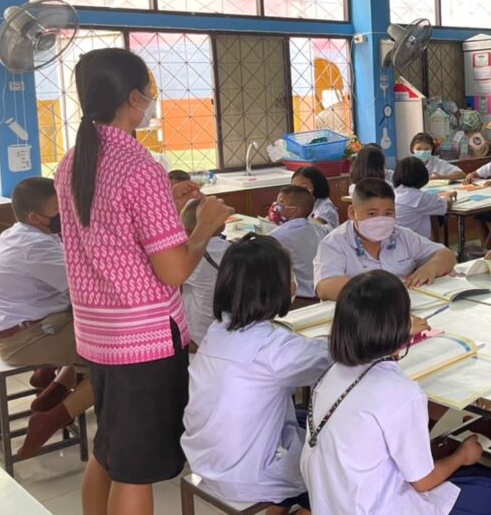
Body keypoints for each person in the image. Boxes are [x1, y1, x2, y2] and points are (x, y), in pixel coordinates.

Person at [55, 47, 232, 515]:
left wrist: (166, 203)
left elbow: (111, 233)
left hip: (100, 334)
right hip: (144, 339)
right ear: (134, 98)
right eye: (150, 92)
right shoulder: (139, 166)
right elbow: (173, 270)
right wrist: (204, 227)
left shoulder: (73, 161)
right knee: (136, 469)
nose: (152, 101)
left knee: (110, 450)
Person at [300, 270, 491, 515]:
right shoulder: (401, 392)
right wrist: (462, 456)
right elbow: (423, 482)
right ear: (403, 325)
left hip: (330, 503)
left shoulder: (332, 374)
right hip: (373, 508)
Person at [182, 235, 329, 515]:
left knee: (301, 417)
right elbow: (335, 356)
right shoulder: (274, 348)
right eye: (290, 277)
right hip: (251, 476)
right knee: (337, 449)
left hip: (205, 459)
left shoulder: (216, 332)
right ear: (275, 288)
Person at [0, 176, 94, 457]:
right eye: (59, 210)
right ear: (34, 217)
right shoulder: (34, 247)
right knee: (116, 358)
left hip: (28, 325)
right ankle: (51, 419)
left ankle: (55, 386)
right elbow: (87, 288)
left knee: (94, 327)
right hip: (24, 339)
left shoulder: (21, 232)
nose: (66, 214)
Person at [313, 177, 456, 301]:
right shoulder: (335, 243)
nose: (381, 221)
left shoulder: (402, 235)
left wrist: (430, 268)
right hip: (360, 315)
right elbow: (325, 286)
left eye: (388, 213)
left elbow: (446, 255)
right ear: (352, 212)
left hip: (407, 308)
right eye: (372, 214)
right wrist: (377, 291)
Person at [179, 198, 230, 347]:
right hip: (225, 328)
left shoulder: (192, 259)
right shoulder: (232, 249)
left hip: (198, 336)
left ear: (188, 231)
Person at [269, 186, 329, 300]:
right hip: (319, 293)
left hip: (297, 297)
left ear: (295, 211)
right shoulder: (319, 230)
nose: (275, 206)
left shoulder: (276, 237)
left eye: (281, 203)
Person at [393, 156, 455, 239]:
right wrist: (448, 196)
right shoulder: (420, 198)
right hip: (412, 242)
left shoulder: (394, 193)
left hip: (395, 240)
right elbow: (447, 204)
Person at [290, 166, 339, 230]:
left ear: (317, 186)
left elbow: (312, 230)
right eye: (293, 188)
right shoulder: (299, 205)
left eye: (303, 188)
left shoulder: (325, 209)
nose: (296, 192)